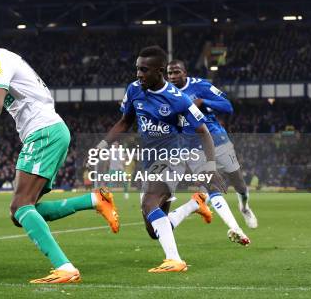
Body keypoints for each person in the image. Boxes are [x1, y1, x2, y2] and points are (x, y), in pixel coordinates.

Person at [0, 20, 119, 284]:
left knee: (20, 206)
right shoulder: (1, 60)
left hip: (44, 133)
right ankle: (94, 200)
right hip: (48, 132)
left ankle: (65, 267)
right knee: (22, 212)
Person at [99, 46, 224, 273]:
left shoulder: (178, 99)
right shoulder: (134, 89)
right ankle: (194, 205)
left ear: (159, 71)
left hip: (172, 159)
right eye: (137, 69)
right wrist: (104, 143)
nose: (138, 74)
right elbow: (125, 121)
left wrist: (211, 166)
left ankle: (175, 259)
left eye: (143, 70)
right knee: (153, 230)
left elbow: (203, 131)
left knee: (149, 202)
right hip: (148, 162)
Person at [167, 59, 256, 242]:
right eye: (170, 73)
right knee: (211, 186)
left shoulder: (201, 86)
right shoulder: (167, 95)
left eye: (177, 72)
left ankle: (244, 207)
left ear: (185, 72)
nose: (173, 76)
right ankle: (235, 228)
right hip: (192, 146)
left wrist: (203, 101)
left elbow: (228, 107)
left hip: (217, 139)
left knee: (239, 183)